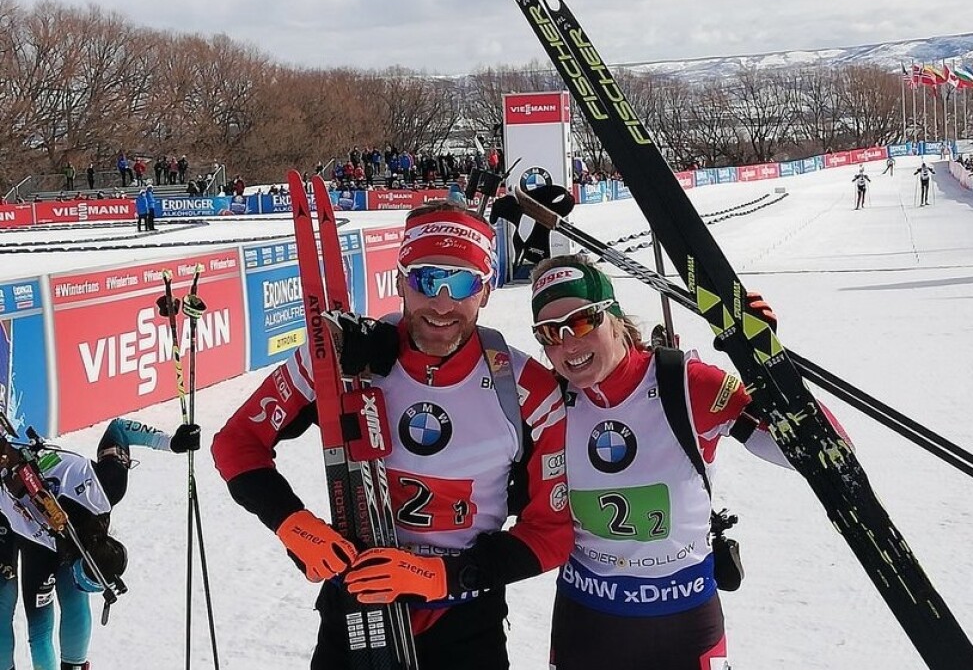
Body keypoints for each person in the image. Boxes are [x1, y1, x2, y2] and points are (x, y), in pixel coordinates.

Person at [211, 200, 573, 670]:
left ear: (486, 291)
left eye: (463, 283)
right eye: (425, 279)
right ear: (399, 280)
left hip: (464, 621)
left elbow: (550, 534)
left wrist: (442, 576)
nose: (441, 303)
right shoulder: (342, 354)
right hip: (357, 612)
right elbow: (237, 442)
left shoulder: (526, 389)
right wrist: (291, 524)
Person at [529, 254, 850, 670]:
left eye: (582, 322)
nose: (568, 344)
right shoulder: (548, 401)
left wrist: (770, 370)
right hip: (587, 619)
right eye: (550, 332)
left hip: (682, 619)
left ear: (615, 317)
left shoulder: (685, 383)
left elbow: (829, 455)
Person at [0, 418, 198, 670]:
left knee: (39, 621)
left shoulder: (108, 488)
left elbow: (119, 430)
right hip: (28, 529)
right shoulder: (106, 488)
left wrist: (172, 443)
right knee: (46, 611)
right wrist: (171, 443)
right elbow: (119, 429)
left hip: (31, 527)